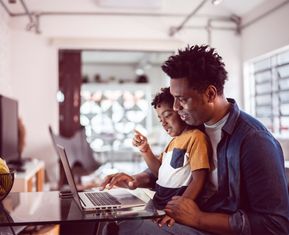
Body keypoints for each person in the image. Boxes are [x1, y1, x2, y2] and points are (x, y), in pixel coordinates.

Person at [100, 45, 289, 235]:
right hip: (185, 219)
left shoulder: (254, 141)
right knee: (110, 221)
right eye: (174, 98)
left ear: (210, 94)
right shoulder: (193, 125)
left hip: (209, 226)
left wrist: (199, 218)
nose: (175, 108)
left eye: (182, 99)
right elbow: (171, 167)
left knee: (124, 231)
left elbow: (275, 225)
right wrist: (136, 179)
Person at [131, 87, 212, 226]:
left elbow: (199, 179)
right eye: (160, 118)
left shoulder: (196, 138)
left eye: (167, 115)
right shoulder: (173, 142)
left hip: (171, 210)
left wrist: (178, 211)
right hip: (157, 203)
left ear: (181, 111)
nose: (163, 122)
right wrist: (145, 150)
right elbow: (159, 172)